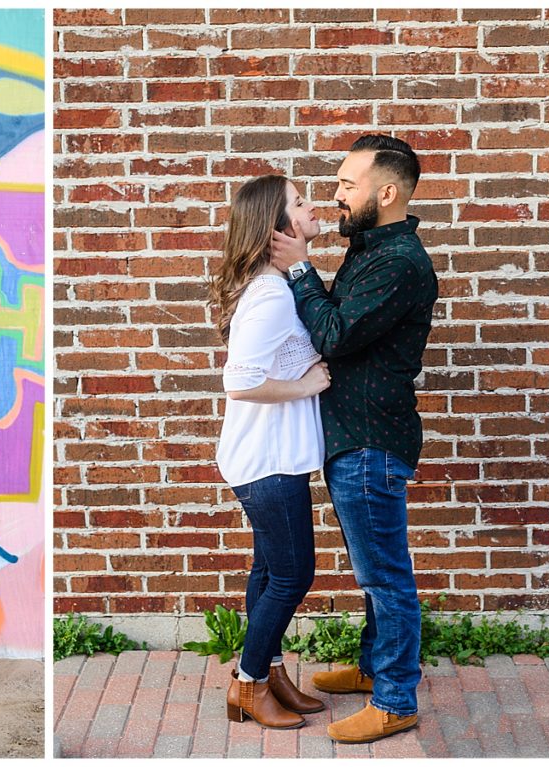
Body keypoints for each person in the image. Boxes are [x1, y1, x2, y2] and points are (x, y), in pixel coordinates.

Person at [269, 134, 438, 744]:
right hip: (355, 437)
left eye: (347, 185)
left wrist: (298, 270)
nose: (335, 196)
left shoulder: (397, 262)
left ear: (385, 192)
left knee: (385, 577)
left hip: (370, 442)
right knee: (377, 574)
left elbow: (335, 334)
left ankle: (395, 700)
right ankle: (374, 671)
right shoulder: (373, 251)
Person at [211, 174, 332, 730]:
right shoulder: (271, 296)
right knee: (291, 575)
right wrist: (306, 386)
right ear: (277, 228)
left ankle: (271, 671)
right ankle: (248, 683)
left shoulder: (276, 286)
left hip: (270, 457)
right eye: (300, 204)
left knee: (268, 570)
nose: (312, 209)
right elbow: (239, 381)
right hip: (266, 461)